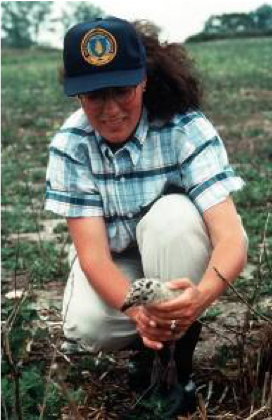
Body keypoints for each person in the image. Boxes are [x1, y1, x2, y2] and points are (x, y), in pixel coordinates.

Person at [45, 16, 248, 417]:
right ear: (77, 97)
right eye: (93, 96)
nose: (110, 109)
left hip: (177, 260)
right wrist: (139, 315)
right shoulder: (72, 146)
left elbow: (231, 238)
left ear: (143, 81)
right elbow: (95, 257)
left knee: (171, 215)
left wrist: (197, 299)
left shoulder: (184, 128)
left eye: (122, 90)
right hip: (121, 262)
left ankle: (176, 366)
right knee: (87, 328)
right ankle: (151, 340)